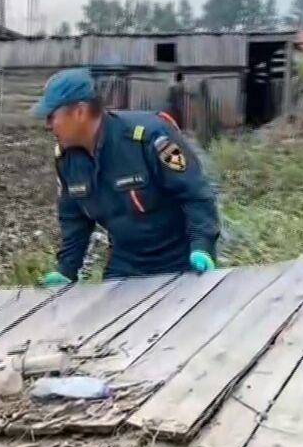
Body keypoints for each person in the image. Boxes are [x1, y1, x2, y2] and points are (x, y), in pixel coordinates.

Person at [34, 68, 219, 285]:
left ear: (79, 112)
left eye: (51, 116)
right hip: (127, 261)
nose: (48, 125)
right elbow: (75, 219)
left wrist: (202, 246)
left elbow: (195, 194)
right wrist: (66, 269)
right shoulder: (68, 160)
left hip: (182, 258)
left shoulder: (149, 137)